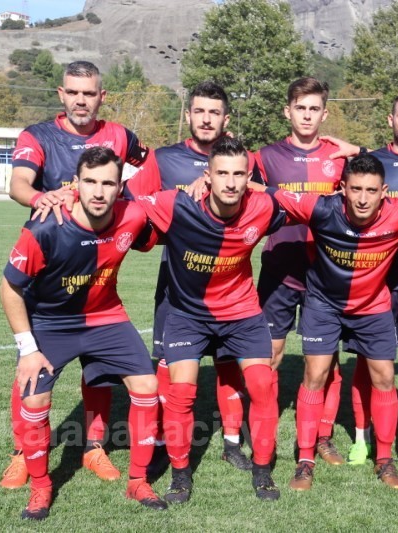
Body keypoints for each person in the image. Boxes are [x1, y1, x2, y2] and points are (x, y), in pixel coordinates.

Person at [1, 60, 154, 489]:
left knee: (98, 371)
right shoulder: (38, 135)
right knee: (31, 372)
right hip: (51, 266)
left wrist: (134, 200)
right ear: (61, 94)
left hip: (99, 269)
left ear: (102, 96)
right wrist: (43, 199)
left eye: (89, 93)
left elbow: (152, 165)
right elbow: (18, 185)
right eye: (73, 92)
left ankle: (94, 447)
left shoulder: (121, 135)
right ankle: (23, 453)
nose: (81, 100)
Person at [262, 153, 398, 492]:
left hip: (372, 307)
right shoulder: (320, 209)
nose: (363, 199)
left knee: (384, 378)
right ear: (342, 189)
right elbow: (267, 191)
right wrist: (211, 182)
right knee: (315, 375)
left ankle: (384, 459)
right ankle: (305, 461)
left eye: (371, 190)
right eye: (355, 189)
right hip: (323, 306)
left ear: (384, 192)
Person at [133, 137, 286, 502]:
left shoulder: (263, 206)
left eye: (238, 175)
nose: (230, 183)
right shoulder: (176, 204)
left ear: (249, 178)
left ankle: (262, 470)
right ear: (208, 175)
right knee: (181, 393)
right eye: (222, 174)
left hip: (242, 314)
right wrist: (64, 195)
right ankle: (180, 474)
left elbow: (310, 204)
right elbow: (120, 202)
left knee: (263, 385)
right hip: (188, 315)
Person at [124, 81, 255, 472]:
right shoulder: (164, 159)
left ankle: (232, 443)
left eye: (214, 112)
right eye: (200, 111)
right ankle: (164, 440)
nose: (206, 119)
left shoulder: (243, 159)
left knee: (229, 364)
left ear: (226, 119)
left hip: (231, 284)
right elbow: (133, 205)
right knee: (168, 362)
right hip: (179, 282)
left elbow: (267, 195)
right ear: (188, 115)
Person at [252, 77, 347, 465]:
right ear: (287, 111)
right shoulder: (265, 157)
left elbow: (376, 181)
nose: (307, 115)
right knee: (269, 355)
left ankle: (323, 436)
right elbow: (232, 182)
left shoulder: (340, 157)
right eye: (300, 108)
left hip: (326, 271)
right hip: (279, 267)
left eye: (314, 109)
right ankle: (265, 432)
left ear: (324, 113)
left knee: (325, 361)